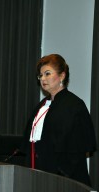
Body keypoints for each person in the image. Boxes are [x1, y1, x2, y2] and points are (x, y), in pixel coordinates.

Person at [21, 54, 96, 186]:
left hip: (63, 180)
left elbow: (80, 147)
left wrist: (61, 173)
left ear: (62, 76)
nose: (42, 79)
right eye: (40, 75)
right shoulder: (42, 105)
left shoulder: (75, 105)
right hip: (38, 175)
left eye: (47, 73)